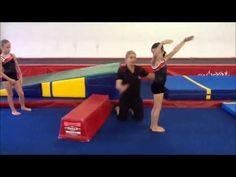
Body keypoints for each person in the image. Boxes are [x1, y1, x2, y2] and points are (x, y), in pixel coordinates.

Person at [150, 36, 194, 132]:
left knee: (156, 107)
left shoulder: (164, 59)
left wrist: (183, 41)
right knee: (157, 107)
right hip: (157, 86)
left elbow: (175, 51)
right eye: (154, 51)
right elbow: (155, 54)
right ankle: (154, 127)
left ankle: (152, 125)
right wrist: (162, 42)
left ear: (162, 51)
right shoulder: (154, 62)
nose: (155, 53)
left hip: (159, 85)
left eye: (157, 50)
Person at [115, 50, 154, 121]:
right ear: (126, 59)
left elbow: (149, 76)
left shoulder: (139, 69)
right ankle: (118, 109)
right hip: (125, 99)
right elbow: (118, 85)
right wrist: (121, 87)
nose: (133, 59)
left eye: (134, 58)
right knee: (122, 119)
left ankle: (132, 110)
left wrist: (159, 76)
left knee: (139, 118)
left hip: (136, 98)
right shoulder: (122, 70)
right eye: (131, 57)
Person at [0, 39, 32, 116]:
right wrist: (9, 79)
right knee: (10, 94)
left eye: (10, 47)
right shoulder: (0, 58)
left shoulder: (12, 55)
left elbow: (17, 67)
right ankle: (13, 110)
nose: (9, 49)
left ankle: (23, 106)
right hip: (6, 78)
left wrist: (20, 76)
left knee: (21, 93)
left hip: (15, 76)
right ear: (2, 47)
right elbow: (0, 72)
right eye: (7, 47)